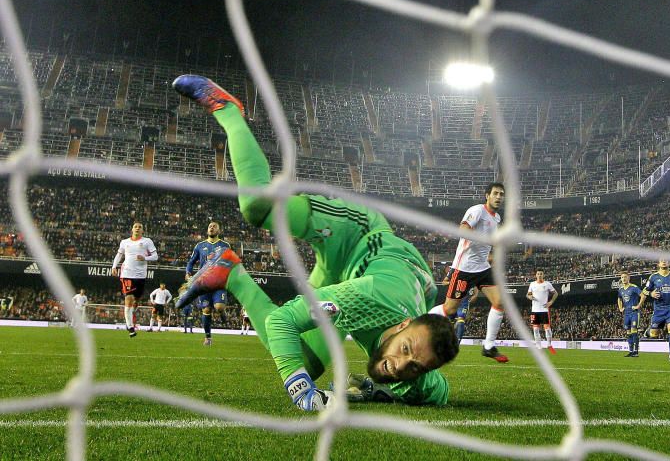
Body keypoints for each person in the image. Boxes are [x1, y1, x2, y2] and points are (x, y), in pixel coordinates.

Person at [172, 74, 458, 408]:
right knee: (256, 206)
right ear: (404, 325)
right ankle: (229, 111)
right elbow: (282, 322)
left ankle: (231, 273)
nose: (399, 364)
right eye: (405, 349)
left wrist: (382, 388)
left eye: (413, 368)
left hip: (370, 275)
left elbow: (439, 392)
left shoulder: (417, 376)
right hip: (355, 235)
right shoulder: (370, 300)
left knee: (306, 360)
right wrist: (301, 391)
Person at [435, 182, 509, 363]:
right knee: (450, 309)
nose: (499, 197)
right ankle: (421, 321)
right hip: (465, 268)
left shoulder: (497, 218)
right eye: (496, 193)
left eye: (501, 194)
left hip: (482, 268)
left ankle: (489, 346)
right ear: (487, 195)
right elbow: (463, 230)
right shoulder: (477, 211)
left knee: (499, 302)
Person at [186, 221, 232, 346]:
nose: (211, 228)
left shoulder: (225, 245)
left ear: (219, 231)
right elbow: (191, 262)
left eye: (214, 226)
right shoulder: (200, 246)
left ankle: (222, 312)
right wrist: (188, 272)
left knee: (218, 307)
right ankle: (208, 337)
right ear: (207, 230)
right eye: (210, 226)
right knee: (206, 309)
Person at [111, 222, 158, 338]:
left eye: (140, 227)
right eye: (135, 226)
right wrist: (114, 266)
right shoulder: (125, 242)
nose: (137, 228)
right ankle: (130, 327)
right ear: (132, 229)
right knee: (129, 298)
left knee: (136, 301)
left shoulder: (147, 241)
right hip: (127, 273)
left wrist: (145, 258)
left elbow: (155, 256)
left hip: (140, 275)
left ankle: (130, 318)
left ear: (143, 230)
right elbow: (119, 255)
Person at [526, 269, 558, 354]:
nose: (539, 275)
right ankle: (538, 346)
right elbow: (528, 294)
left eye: (541, 274)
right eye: (538, 274)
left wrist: (551, 302)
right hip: (535, 310)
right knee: (536, 329)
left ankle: (549, 345)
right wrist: (529, 297)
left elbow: (555, 293)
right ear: (536, 275)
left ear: (543, 275)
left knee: (547, 329)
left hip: (544, 310)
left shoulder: (547, 284)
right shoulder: (532, 284)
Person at [616, 272, 642, 357]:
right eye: (622, 277)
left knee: (634, 331)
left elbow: (642, 295)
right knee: (628, 333)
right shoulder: (621, 290)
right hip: (626, 314)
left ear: (629, 278)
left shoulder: (634, 287)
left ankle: (636, 351)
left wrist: (638, 305)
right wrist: (620, 308)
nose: (623, 279)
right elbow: (619, 299)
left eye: (625, 277)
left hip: (634, 313)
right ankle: (631, 351)